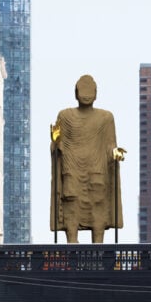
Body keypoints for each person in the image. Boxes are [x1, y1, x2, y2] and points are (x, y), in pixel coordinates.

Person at [49, 74, 126, 243]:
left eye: (90, 90)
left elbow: (110, 145)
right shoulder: (65, 116)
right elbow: (58, 142)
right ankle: (71, 242)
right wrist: (56, 142)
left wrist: (115, 153)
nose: (86, 94)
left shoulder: (106, 118)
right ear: (76, 93)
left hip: (97, 166)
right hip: (71, 165)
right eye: (82, 90)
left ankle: (98, 244)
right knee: (71, 202)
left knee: (99, 202)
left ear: (96, 93)